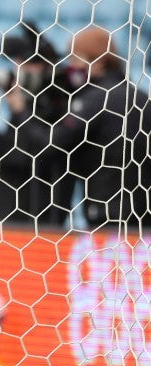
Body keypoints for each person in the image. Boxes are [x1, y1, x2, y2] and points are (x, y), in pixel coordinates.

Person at [0, 23, 75, 227]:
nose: (20, 70)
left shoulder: (58, 107)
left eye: (29, 63)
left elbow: (36, 156)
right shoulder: (21, 107)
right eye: (18, 62)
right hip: (2, 219)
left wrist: (18, 113)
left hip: (37, 220)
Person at [47, 26, 151, 230]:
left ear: (100, 61)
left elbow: (53, 144)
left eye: (76, 59)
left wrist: (21, 110)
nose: (71, 66)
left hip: (104, 209)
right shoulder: (142, 98)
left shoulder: (96, 99)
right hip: (143, 212)